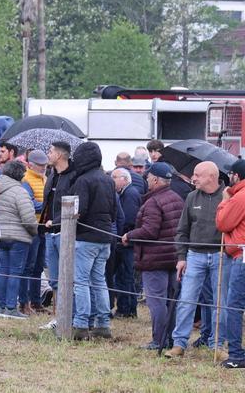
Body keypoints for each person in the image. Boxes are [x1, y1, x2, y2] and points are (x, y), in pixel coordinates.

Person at [166, 161, 230, 359]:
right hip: (194, 255)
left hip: (221, 255)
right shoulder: (192, 197)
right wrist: (181, 257)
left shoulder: (227, 196)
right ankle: (179, 344)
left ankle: (217, 345)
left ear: (211, 176)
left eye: (197, 174)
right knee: (186, 299)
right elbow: (182, 230)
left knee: (220, 302)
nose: (193, 178)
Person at [121, 162, 182, 349]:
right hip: (172, 257)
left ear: (155, 180)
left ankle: (159, 340)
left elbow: (149, 230)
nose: (146, 180)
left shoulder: (154, 202)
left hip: (155, 259)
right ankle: (170, 338)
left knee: (157, 302)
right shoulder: (177, 198)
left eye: (148, 178)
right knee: (170, 302)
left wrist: (129, 236)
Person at [70, 142, 118, 340]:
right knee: (99, 281)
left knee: (81, 281)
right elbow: (114, 211)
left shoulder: (83, 180)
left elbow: (79, 211)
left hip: (86, 237)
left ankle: (81, 324)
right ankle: (103, 324)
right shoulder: (108, 180)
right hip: (105, 236)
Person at [0, 161, 37, 319]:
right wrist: (34, 231)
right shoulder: (19, 191)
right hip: (18, 236)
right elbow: (28, 218)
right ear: (20, 174)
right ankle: (11, 308)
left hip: (0, 234)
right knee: (15, 272)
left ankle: (1, 306)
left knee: (3, 270)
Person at [38, 141, 75, 330]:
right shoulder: (51, 176)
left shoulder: (73, 177)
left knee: (68, 278)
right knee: (54, 280)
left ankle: (71, 317)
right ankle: (59, 317)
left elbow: (74, 204)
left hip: (65, 233)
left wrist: (59, 220)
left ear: (60, 155)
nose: (48, 153)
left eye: (50, 151)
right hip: (49, 232)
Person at [215, 159, 245, 369]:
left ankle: (236, 354)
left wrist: (225, 200)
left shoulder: (239, 197)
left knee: (234, 306)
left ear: (237, 175)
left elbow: (223, 222)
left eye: (232, 174)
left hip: (241, 257)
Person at [110, 167, 141, 318]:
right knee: (124, 275)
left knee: (125, 276)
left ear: (124, 179)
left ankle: (126, 309)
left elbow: (128, 218)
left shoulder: (129, 194)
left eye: (115, 177)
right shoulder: (125, 193)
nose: (112, 180)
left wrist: (121, 235)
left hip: (126, 242)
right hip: (125, 240)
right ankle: (126, 308)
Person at [20, 150, 48, 315]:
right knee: (29, 267)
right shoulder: (26, 180)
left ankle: (36, 302)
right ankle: (24, 303)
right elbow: (29, 204)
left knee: (38, 267)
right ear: (31, 164)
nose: (43, 168)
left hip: (43, 227)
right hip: (32, 228)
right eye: (40, 165)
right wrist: (47, 204)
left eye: (45, 165)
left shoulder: (44, 179)